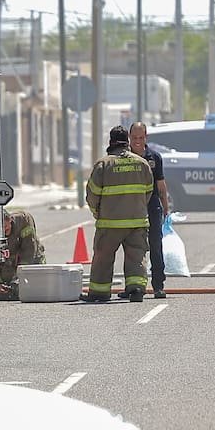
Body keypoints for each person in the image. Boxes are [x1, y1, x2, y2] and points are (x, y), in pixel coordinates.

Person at [84, 126, 155, 302]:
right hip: (137, 222)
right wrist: (137, 208)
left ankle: (99, 292)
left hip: (110, 223)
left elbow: (92, 194)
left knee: (103, 257)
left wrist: (96, 212)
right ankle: (136, 289)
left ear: (110, 142)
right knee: (136, 256)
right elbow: (148, 191)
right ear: (127, 141)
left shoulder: (103, 165)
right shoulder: (142, 164)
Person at [129, 121, 171, 298]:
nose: (137, 141)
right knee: (132, 247)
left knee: (155, 244)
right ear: (129, 137)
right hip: (131, 206)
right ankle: (133, 287)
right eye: (134, 138)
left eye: (141, 137)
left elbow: (161, 184)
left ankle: (158, 285)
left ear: (146, 137)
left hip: (152, 205)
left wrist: (165, 207)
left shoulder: (154, 157)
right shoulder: (124, 157)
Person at [0, 208, 47, 298]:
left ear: (10, 220)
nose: (3, 234)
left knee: (36, 289)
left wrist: (20, 276)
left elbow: (29, 251)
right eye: (0, 232)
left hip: (32, 264)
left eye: (5, 229)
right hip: (10, 269)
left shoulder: (24, 221)